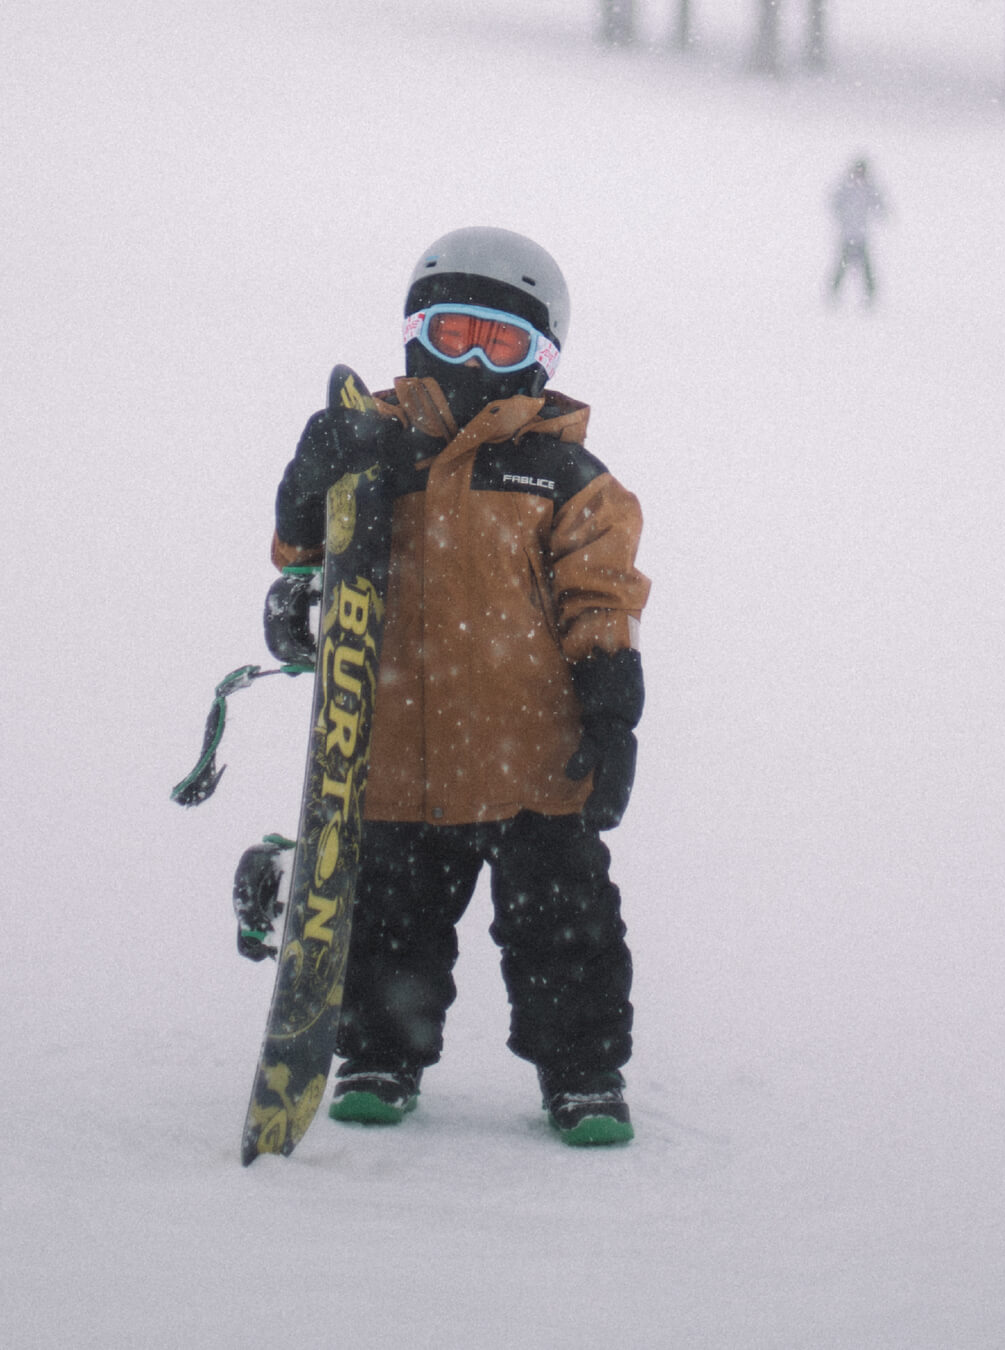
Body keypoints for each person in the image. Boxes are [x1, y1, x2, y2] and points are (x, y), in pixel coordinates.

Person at [267, 227, 651, 1146]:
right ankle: (379, 1055)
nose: (474, 359)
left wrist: (612, 713)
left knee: (565, 935)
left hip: (532, 765)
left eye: (502, 342)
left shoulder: (566, 478)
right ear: (414, 334)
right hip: (394, 758)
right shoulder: (372, 453)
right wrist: (311, 491)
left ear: (543, 359)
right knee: (387, 926)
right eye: (453, 334)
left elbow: (604, 601)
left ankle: (583, 1073)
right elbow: (305, 558)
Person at [827, 157, 885, 306]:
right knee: (842, 265)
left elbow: (878, 204)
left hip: (861, 235)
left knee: (865, 267)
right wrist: (843, 217)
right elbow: (834, 202)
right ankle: (833, 293)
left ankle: (870, 295)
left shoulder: (868, 188)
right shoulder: (846, 186)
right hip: (848, 234)